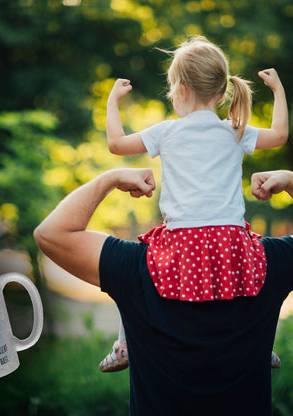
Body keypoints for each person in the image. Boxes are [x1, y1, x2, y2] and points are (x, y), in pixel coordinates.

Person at [34, 168, 293, 416]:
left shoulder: (137, 266)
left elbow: (51, 233)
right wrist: (291, 181)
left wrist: (109, 180)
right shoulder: (266, 262)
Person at [101, 35, 288, 372]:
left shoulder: (166, 132)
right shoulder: (235, 130)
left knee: (133, 272)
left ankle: (125, 344)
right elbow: (279, 135)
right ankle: (262, 344)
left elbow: (116, 144)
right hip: (230, 239)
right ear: (221, 93)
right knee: (257, 275)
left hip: (181, 241)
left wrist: (112, 100)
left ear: (180, 90)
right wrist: (278, 91)